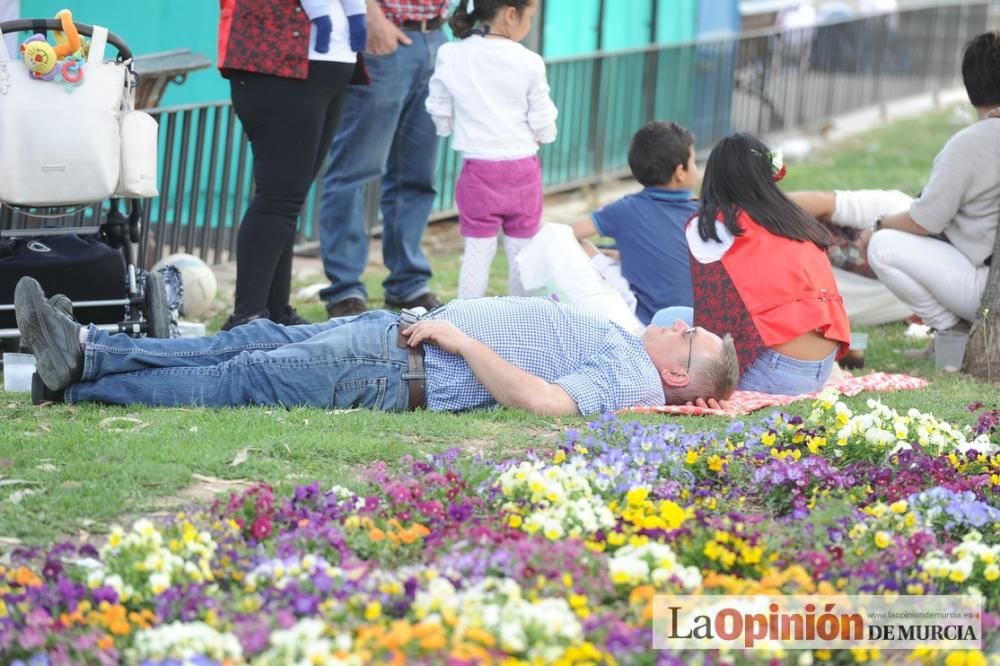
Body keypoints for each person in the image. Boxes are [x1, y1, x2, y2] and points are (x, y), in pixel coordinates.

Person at [14, 277, 739, 416]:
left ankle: (81, 371)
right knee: (257, 339)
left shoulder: (627, 376)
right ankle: (87, 353)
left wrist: (458, 336)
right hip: (400, 336)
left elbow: (545, 402)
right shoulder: (628, 345)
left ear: (677, 375)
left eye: (690, 335)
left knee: (249, 374)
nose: (680, 322)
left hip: (405, 365)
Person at [790, 32, 1000, 355]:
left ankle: (953, 332)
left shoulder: (974, 141)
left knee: (883, 246)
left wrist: (877, 226)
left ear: (972, 85)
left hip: (984, 290)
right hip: (981, 278)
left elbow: (925, 220)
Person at [217, 0, 367, 330]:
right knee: (278, 197)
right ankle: (247, 320)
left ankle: (275, 311)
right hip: (279, 63)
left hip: (328, 64)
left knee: (288, 199)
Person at [317, 0, 452, 319]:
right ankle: (345, 288)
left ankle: (408, 284)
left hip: (436, 36)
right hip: (385, 34)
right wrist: (370, 15)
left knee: (418, 175)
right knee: (355, 171)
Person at [688, 133, 851, 395]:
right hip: (823, 365)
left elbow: (711, 307)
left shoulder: (711, 223)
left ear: (716, 176)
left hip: (774, 371)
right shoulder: (797, 219)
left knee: (671, 319)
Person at [426, 0, 557, 299]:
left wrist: (447, 128)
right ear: (511, 14)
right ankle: (519, 319)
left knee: (477, 251)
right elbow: (542, 118)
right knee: (521, 252)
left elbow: (440, 106)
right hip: (522, 169)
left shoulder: (451, 54)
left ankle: (466, 320)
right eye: (530, 16)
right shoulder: (529, 60)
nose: (529, 24)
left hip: (478, 171)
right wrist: (544, 135)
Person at [570, 121, 699, 325]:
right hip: (697, 327)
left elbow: (568, 233)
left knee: (586, 247)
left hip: (644, 325)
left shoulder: (625, 210)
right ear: (680, 171)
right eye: (693, 161)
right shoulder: (704, 213)